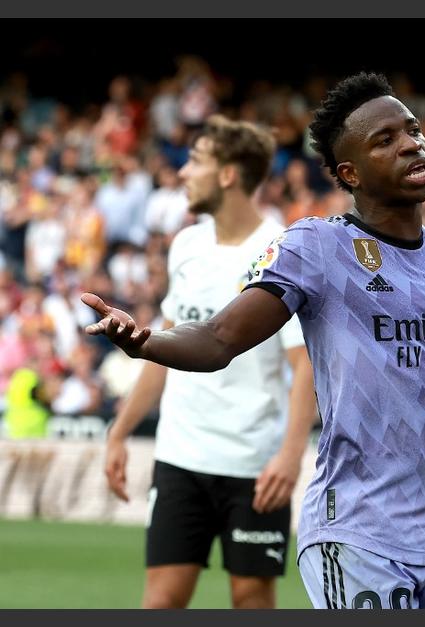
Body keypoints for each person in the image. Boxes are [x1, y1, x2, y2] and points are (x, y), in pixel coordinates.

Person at [81, 72, 425, 609]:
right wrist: (146, 342)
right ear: (351, 173)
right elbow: (220, 337)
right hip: (357, 533)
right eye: (385, 140)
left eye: (412, 130)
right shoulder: (317, 247)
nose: (411, 145)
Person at [102, 114, 318, 609]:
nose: (182, 173)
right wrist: (120, 431)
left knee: (251, 599)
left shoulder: (279, 250)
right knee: (160, 602)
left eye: (196, 161)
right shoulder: (186, 245)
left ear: (227, 174)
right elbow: (165, 349)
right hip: (180, 455)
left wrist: (290, 455)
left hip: (252, 462)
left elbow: (304, 363)